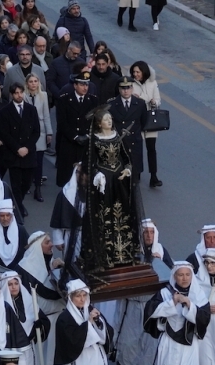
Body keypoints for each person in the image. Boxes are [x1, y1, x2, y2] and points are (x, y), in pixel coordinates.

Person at [112, 218, 172, 365]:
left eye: (152, 232)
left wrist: (159, 264)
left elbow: (172, 276)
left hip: (153, 306)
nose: (149, 235)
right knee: (129, 343)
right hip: (132, 306)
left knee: (151, 345)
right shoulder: (130, 252)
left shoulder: (161, 252)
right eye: (145, 232)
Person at [78, 107, 139, 272]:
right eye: (106, 119)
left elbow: (127, 158)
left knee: (122, 216)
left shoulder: (118, 137)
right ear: (99, 123)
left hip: (119, 184)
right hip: (104, 185)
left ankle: (124, 254)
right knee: (105, 218)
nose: (109, 121)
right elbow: (88, 163)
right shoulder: (94, 140)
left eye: (110, 118)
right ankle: (105, 256)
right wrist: (97, 174)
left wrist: (127, 170)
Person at [19, 231, 64, 365]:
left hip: (57, 317)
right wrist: (55, 270)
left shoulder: (48, 262)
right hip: (41, 321)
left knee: (54, 360)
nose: (51, 245)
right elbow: (48, 292)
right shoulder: (27, 268)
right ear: (38, 247)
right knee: (44, 360)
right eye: (47, 242)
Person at [0, 270, 49, 365]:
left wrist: (38, 326)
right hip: (10, 350)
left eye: (16, 283)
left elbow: (43, 320)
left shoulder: (28, 300)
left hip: (28, 347)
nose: (14, 286)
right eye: (10, 284)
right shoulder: (1, 306)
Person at [0, 81, 40, 215]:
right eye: (16, 93)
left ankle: (18, 203)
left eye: (21, 92)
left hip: (29, 152)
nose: (19, 95)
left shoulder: (31, 109)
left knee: (26, 183)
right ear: (11, 95)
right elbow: (4, 133)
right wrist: (17, 148)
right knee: (16, 184)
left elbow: (36, 131)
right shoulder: (5, 111)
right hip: (13, 153)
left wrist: (27, 148)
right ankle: (18, 208)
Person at [53, 70, 96, 186]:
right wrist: (75, 136)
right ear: (75, 85)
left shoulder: (93, 101)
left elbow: (95, 122)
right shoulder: (64, 100)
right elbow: (62, 122)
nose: (85, 87)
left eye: (87, 84)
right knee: (67, 176)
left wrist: (87, 136)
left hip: (85, 143)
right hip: (69, 143)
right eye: (82, 84)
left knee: (84, 177)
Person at [107, 76, 148, 181]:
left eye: (128, 88)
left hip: (134, 143)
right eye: (123, 88)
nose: (126, 91)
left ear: (132, 88)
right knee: (118, 175)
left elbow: (144, 122)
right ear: (119, 89)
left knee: (134, 177)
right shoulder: (111, 104)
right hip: (119, 144)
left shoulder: (140, 104)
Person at [130, 61, 161, 187]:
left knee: (151, 149)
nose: (135, 74)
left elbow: (158, 100)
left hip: (149, 119)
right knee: (138, 149)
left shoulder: (152, 83)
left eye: (138, 72)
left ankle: (153, 176)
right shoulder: (131, 83)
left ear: (144, 72)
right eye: (134, 72)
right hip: (137, 120)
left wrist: (154, 102)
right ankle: (136, 174)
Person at [23, 73, 50, 201]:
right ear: (27, 83)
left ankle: (37, 188)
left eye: (35, 81)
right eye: (31, 81)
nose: (33, 84)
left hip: (40, 131)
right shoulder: (22, 96)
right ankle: (26, 183)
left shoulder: (43, 96)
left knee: (39, 162)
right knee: (28, 160)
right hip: (26, 133)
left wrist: (49, 133)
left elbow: (46, 115)